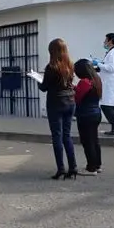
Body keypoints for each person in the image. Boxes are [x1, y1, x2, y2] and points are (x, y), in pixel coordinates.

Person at [39, 38, 78, 179]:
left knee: (57, 136)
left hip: (56, 103)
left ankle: (61, 168)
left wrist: (38, 80)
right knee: (67, 136)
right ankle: (73, 167)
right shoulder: (70, 65)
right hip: (70, 101)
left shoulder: (51, 67)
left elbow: (44, 87)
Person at [74, 58, 103, 175]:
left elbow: (77, 98)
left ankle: (91, 168)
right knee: (94, 140)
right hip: (96, 112)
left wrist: (74, 90)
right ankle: (97, 165)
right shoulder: (96, 79)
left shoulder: (84, 82)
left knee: (87, 141)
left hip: (85, 115)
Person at [98, 32, 114, 136]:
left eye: (106, 40)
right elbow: (107, 66)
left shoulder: (113, 53)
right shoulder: (112, 52)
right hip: (112, 84)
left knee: (106, 106)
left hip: (111, 84)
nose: (104, 42)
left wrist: (98, 64)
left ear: (110, 41)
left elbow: (111, 68)